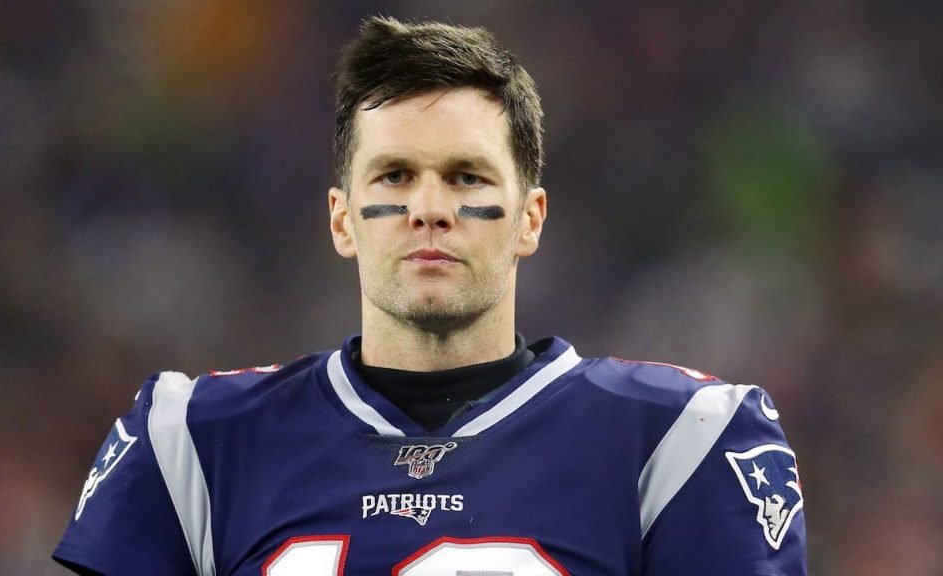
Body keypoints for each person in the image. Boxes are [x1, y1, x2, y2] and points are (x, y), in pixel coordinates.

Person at [53, 16, 807, 575]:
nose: (430, 209)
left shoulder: (677, 440)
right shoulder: (195, 440)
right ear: (342, 219)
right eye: (395, 175)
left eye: (466, 177)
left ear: (530, 218)